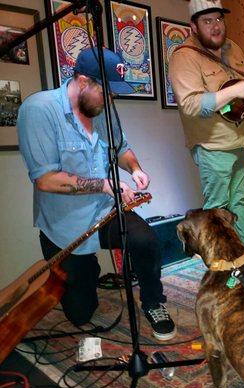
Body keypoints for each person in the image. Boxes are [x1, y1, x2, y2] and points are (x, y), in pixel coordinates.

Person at [17, 47, 176, 341]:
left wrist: (135, 169)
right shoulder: (39, 110)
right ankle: (85, 268)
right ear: (82, 81)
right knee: (80, 315)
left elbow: (121, 149)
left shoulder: (103, 110)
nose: (111, 99)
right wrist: (105, 185)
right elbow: (46, 180)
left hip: (105, 211)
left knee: (145, 240)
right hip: (65, 226)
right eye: (107, 91)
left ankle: (154, 302)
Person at [169, 0, 244, 265]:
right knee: (217, 209)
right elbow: (190, 104)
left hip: (240, 140)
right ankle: (222, 262)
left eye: (219, 19)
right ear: (193, 26)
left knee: (239, 201)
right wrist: (232, 91)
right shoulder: (184, 57)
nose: (216, 26)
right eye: (207, 21)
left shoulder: (233, 48)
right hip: (213, 147)